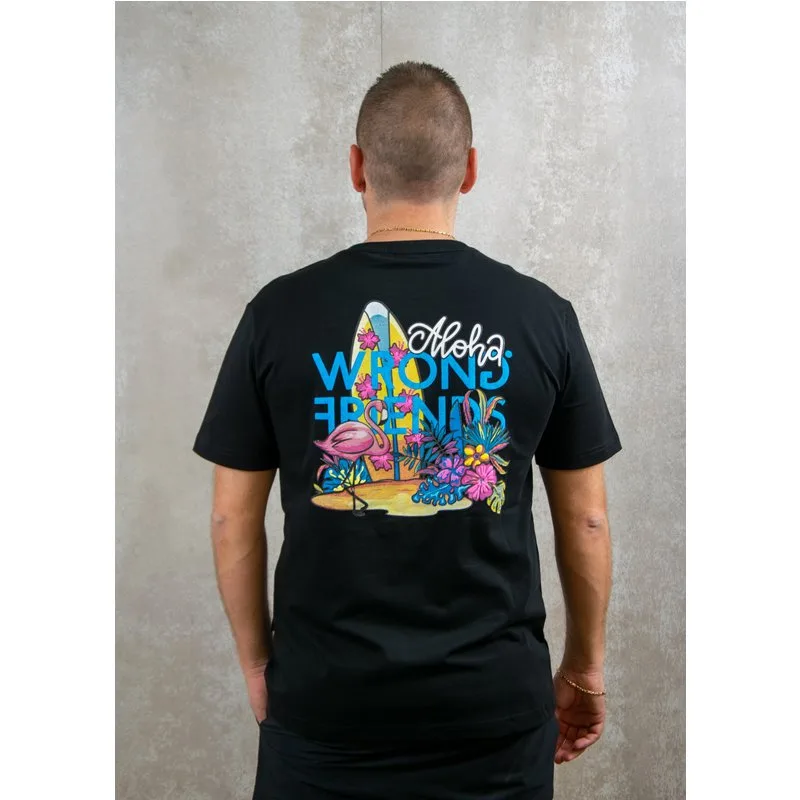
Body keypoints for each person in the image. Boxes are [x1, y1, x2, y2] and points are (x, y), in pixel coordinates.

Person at [193, 61, 621, 800]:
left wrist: (259, 664)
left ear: (356, 168)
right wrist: (584, 668)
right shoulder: (542, 316)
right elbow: (586, 518)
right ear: (471, 170)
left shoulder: (277, 313)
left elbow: (232, 518)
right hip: (491, 712)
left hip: (326, 707)